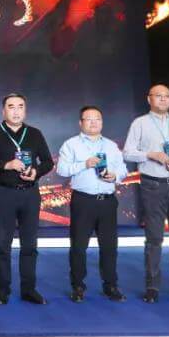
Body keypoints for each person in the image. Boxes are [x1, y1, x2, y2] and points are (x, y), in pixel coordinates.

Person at [123, 84, 169, 303]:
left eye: (167, 96)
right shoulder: (140, 123)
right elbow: (128, 153)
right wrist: (151, 155)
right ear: (149, 99)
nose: (163, 99)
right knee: (154, 238)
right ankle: (152, 286)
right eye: (159, 96)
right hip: (153, 185)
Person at [0, 93, 54, 305]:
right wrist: (6, 165)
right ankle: (2, 290)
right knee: (3, 244)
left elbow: (48, 162)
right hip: (5, 193)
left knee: (30, 244)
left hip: (30, 194)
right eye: (11, 107)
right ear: (4, 111)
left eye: (20, 106)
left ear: (25, 110)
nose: (16, 111)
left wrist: (36, 172)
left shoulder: (34, 134)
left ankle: (29, 289)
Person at [57, 106, 128, 303]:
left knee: (109, 247)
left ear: (102, 122)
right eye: (89, 119)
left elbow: (123, 170)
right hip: (83, 201)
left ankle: (110, 285)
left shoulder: (111, 146)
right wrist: (84, 164)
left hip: (107, 201)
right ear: (80, 123)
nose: (94, 122)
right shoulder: (71, 144)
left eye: (97, 119)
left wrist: (115, 176)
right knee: (79, 246)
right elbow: (62, 169)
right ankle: (78, 286)